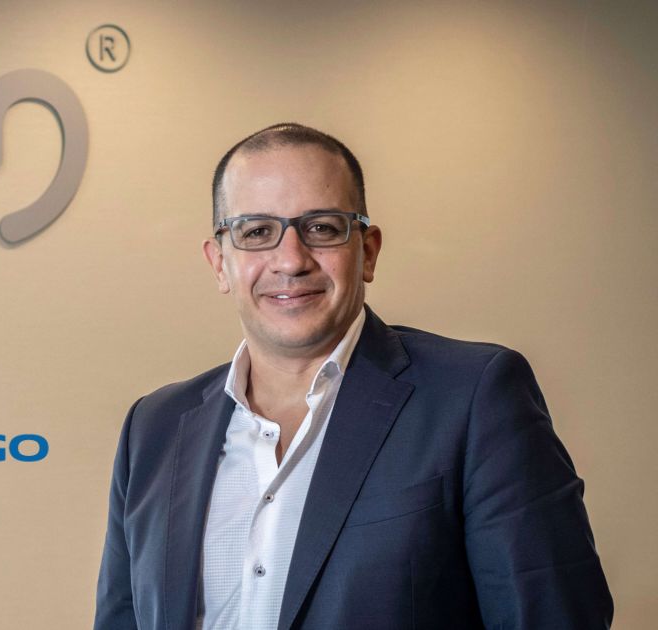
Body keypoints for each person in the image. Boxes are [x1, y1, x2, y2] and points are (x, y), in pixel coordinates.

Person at [93, 123, 612, 629]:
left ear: (367, 251)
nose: (290, 260)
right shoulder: (154, 428)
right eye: (256, 232)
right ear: (219, 263)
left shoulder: (474, 398)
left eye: (321, 228)